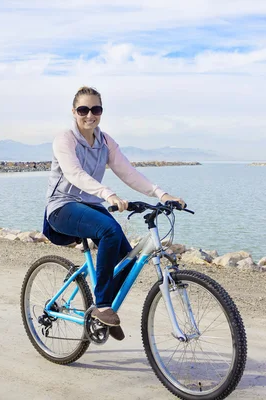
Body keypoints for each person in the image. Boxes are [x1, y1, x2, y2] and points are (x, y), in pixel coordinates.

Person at [44, 86, 185, 341]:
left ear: (101, 112)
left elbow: (128, 172)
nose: (90, 115)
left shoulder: (105, 141)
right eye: (83, 110)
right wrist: (108, 194)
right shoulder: (64, 139)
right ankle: (102, 305)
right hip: (62, 206)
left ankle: (102, 310)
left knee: (125, 257)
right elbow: (75, 173)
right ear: (74, 112)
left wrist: (161, 194)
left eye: (95, 109)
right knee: (108, 230)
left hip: (91, 205)